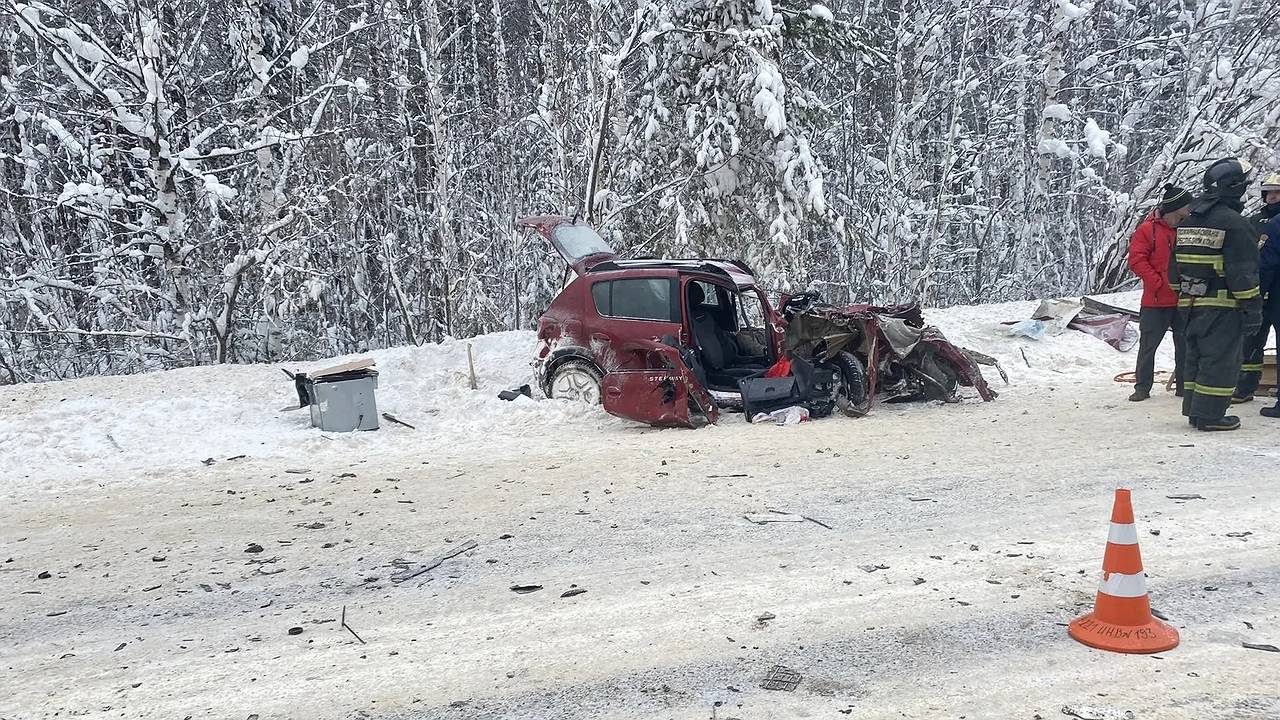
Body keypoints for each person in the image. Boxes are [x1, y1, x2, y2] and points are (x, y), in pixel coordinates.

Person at [1167, 158, 1263, 431]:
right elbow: (1243, 273)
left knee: (1195, 356)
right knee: (1220, 360)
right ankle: (1210, 416)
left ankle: (1195, 411)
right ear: (1234, 188)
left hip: (1189, 304)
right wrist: (1252, 308)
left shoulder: (1188, 221)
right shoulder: (1234, 224)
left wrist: (1183, 295)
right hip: (1222, 307)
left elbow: (1174, 268)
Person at [1127, 184, 1192, 401]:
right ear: (1176, 208)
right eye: (1185, 209)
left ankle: (1184, 386)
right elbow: (1136, 260)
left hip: (1183, 298)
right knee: (1148, 347)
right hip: (1155, 301)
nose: (1188, 212)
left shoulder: (1188, 228)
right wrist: (1157, 282)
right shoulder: (1147, 230)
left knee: (1185, 345)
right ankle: (1142, 387)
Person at [1235, 172, 1280, 404]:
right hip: (1256, 290)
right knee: (1251, 341)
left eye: (1277, 192)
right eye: (1269, 192)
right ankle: (1245, 387)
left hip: (1275, 292)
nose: (1272, 196)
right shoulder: (1253, 221)